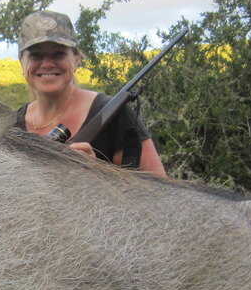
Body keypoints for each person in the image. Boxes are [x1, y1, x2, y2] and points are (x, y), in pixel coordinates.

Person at [13, 10, 167, 176]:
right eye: (36, 55)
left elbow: (159, 192)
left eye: (58, 54)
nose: (47, 64)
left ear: (76, 59)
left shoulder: (116, 115)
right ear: (22, 62)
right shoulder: (11, 128)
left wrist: (97, 175)